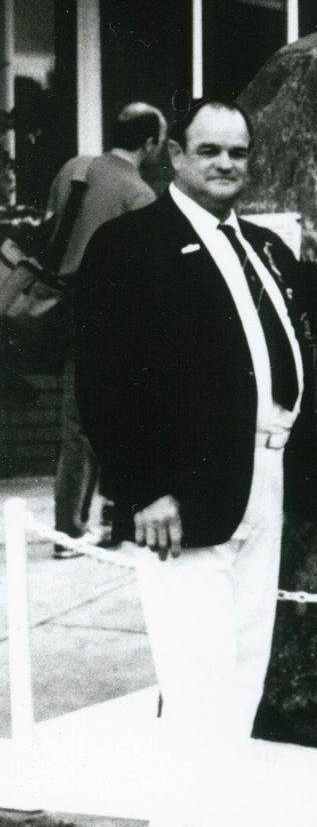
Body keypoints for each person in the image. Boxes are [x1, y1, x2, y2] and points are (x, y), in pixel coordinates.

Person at [74, 99, 317, 827]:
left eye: (238, 152)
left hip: (264, 479)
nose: (227, 164)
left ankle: (180, 825)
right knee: (203, 675)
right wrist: (144, 490)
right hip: (180, 498)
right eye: (210, 150)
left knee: (236, 667)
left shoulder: (263, 246)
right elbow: (102, 380)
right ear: (174, 156)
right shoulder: (130, 245)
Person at [47, 102, 166, 555]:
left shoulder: (74, 169)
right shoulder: (139, 194)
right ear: (149, 143)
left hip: (65, 305)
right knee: (117, 416)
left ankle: (69, 527)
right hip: (116, 313)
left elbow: (51, 229)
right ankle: (103, 522)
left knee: (76, 420)